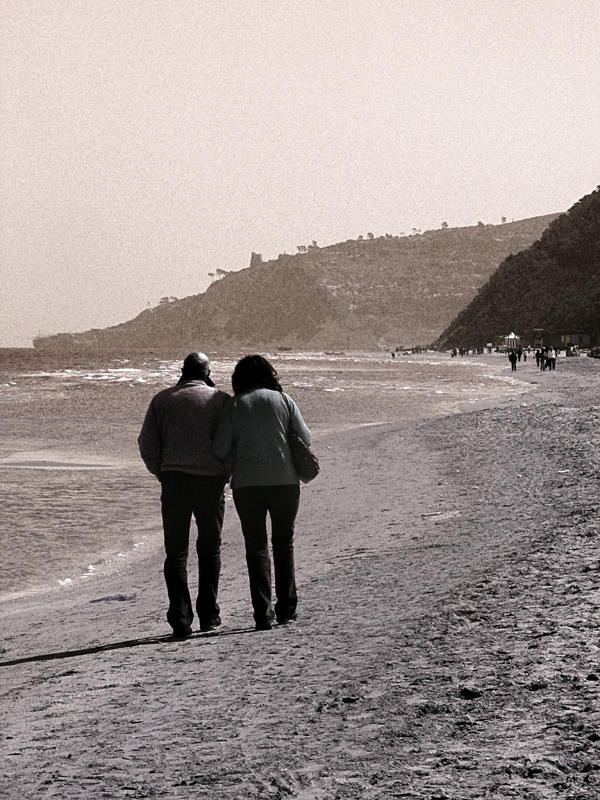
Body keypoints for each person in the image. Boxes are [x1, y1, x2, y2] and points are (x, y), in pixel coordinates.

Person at [213, 355, 312, 631]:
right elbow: (307, 438)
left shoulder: (235, 405)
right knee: (284, 543)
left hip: (248, 486)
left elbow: (220, 448)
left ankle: (262, 614)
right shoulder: (284, 401)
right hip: (285, 482)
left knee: (256, 548)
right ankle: (287, 609)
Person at [138, 352, 229, 638]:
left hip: (174, 479)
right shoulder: (220, 400)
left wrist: (161, 472)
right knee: (210, 548)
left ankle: (180, 618)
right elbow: (232, 442)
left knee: (176, 552)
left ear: (182, 371)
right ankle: (209, 614)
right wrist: (226, 473)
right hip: (210, 480)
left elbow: (147, 443)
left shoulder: (162, 399)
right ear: (207, 372)